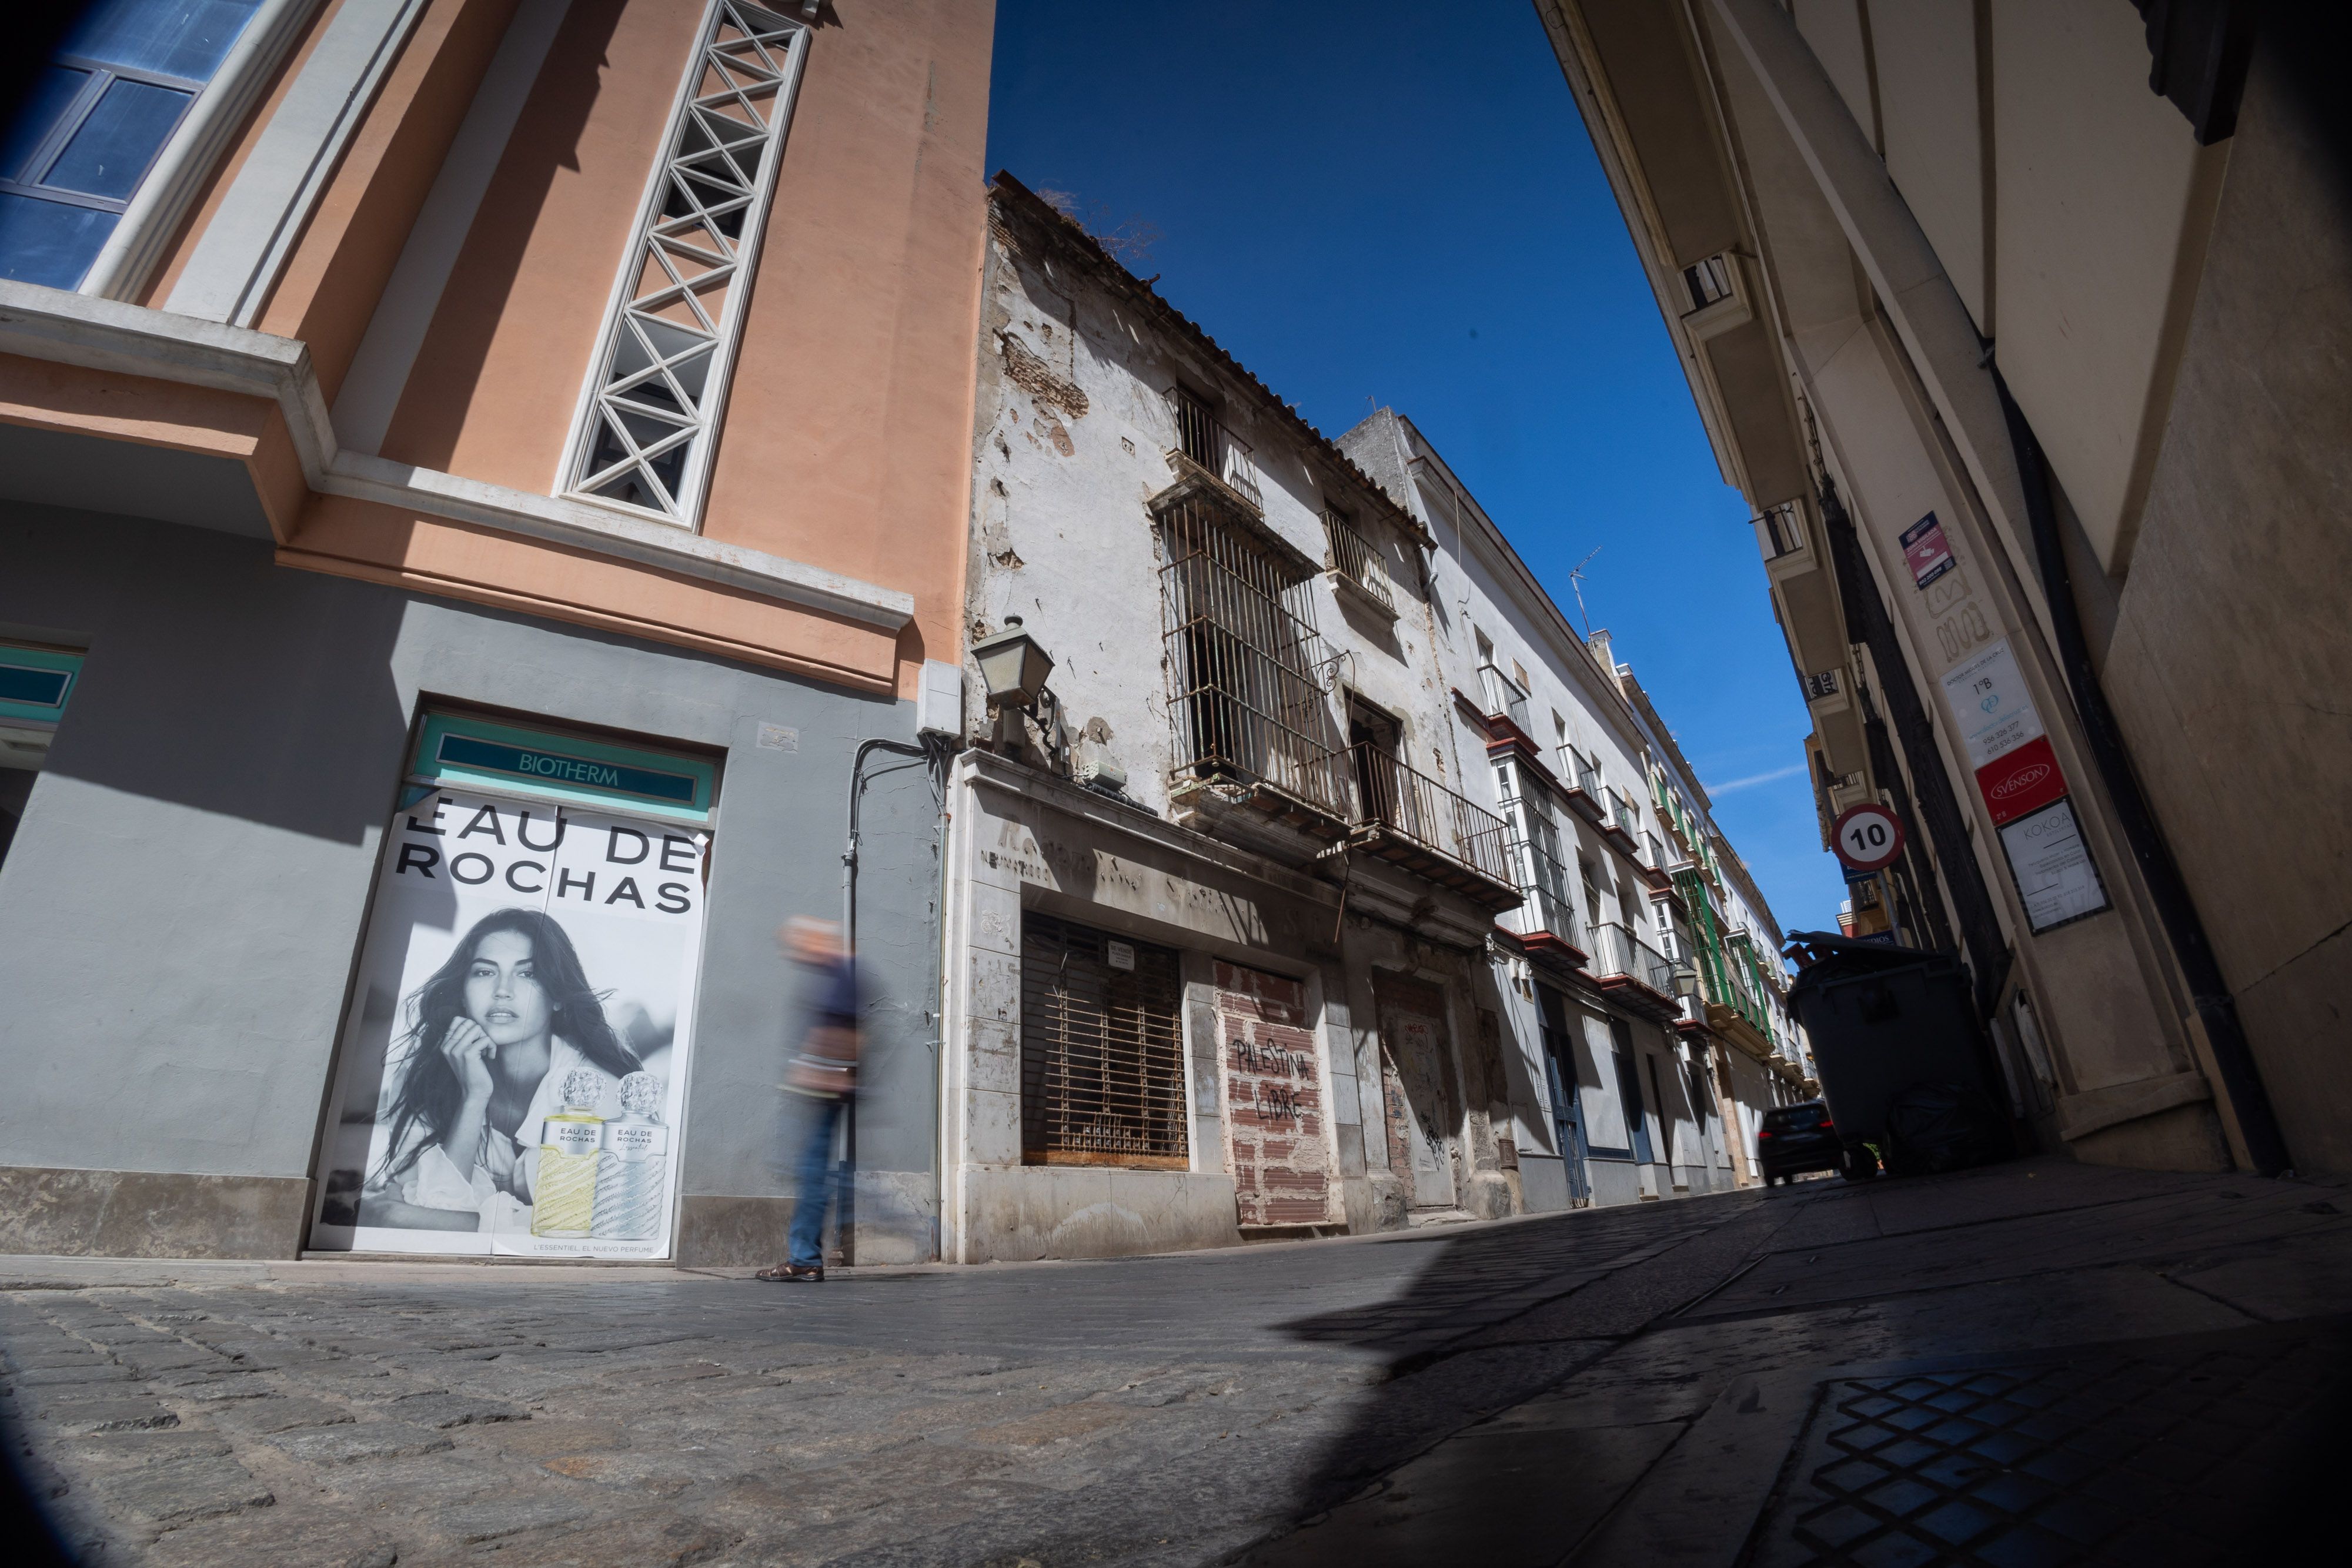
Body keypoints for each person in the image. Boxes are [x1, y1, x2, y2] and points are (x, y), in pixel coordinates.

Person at [360, 908, 642, 1233]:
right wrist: (474, 1097)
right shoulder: (423, 1078)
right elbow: (429, 1211)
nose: (503, 990)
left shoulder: (603, 1095)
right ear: (462, 992)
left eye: (528, 974)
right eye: (484, 972)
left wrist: (401, 1218)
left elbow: (578, 1231)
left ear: (558, 997)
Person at [758, 917, 860, 1282]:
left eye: (800, 941)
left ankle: (805, 1258)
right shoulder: (836, 974)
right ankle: (805, 1257)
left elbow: (845, 1032)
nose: (795, 951)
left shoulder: (841, 974)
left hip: (822, 1092)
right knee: (810, 1173)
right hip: (823, 1091)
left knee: (812, 1175)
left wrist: (813, 1071)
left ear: (819, 941)